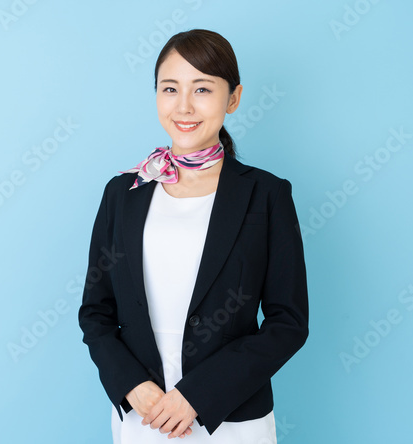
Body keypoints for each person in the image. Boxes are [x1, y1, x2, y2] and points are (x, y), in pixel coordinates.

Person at [77, 29, 309, 443]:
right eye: (170, 88)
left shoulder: (266, 194)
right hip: (143, 417)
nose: (183, 105)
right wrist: (131, 385)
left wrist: (197, 395)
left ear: (233, 98)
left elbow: (288, 323)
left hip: (233, 420)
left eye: (202, 88)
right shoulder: (123, 193)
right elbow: (96, 312)